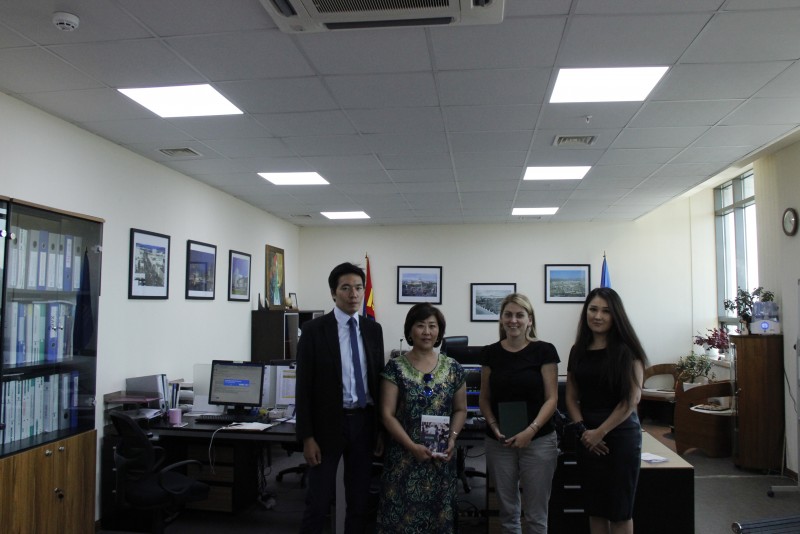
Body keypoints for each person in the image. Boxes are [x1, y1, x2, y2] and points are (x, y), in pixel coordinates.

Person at [295, 262, 386, 534]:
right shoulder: (314, 330)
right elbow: (304, 387)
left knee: (359, 501)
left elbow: (378, 381)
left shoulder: (373, 329)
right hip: (327, 426)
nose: (353, 294)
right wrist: (307, 437)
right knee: (318, 501)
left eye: (358, 288)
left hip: (364, 423)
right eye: (346, 288)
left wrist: (380, 429)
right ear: (333, 293)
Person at [376, 303, 467, 533]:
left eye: (432, 326)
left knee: (438, 522)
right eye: (420, 325)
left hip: (440, 461)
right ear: (410, 330)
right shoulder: (395, 368)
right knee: (401, 522)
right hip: (404, 460)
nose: (427, 332)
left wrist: (452, 438)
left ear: (439, 331)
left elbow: (460, 410)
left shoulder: (453, 368)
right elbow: (387, 415)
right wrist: (411, 446)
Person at [565, 287, 649, 534]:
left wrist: (599, 432)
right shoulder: (577, 350)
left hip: (619, 436)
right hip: (587, 436)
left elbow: (631, 399)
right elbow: (570, 397)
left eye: (605, 311)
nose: (598, 316)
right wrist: (584, 431)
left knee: (619, 511)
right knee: (596, 508)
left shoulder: (628, 350)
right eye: (593, 309)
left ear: (616, 315)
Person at [478, 293, 560, 534]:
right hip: (499, 442)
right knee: (507, 515)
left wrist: (530, 431)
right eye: (508, 315)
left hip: (539, 441)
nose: (513, 320)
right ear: (501, 319)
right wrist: (494, 426)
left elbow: (552, 399)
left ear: (529, 320)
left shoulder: (544, 351)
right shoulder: (490, 353)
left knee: (536, 517)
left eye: (519, 315)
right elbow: (484, 398)